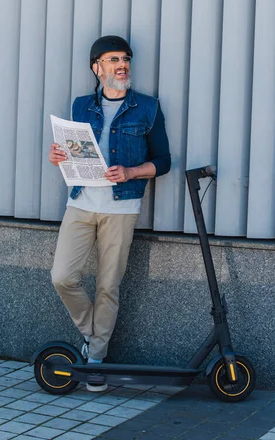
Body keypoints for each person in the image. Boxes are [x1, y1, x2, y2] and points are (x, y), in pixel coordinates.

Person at [49, 35, 171, 391]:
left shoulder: (148, 108)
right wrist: (58, 158)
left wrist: (131, 172)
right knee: (62, 277)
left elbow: (163, 162)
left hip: (121, 207)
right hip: (81, 203)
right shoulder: (81, 106)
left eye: (126, 59)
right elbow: (74, 153)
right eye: (114, 59)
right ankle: (93, 335)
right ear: (96, 67)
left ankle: (96, 359)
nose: (122, 64)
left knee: (108, 286)